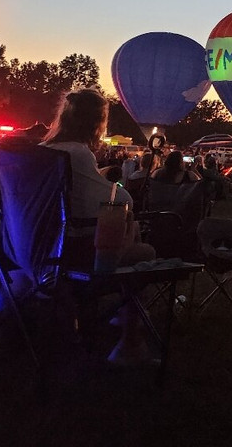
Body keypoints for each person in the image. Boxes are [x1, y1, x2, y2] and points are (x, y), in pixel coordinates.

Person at [42, 88, 155, 364]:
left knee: (129, 230)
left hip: (40, 250)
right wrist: (119, 191)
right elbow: (111, 199)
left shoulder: (42, 152)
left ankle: (109, 318)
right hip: (76, 252)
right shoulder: (77, 153)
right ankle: (130, 340)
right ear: (97, 123)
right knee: (145, 251)